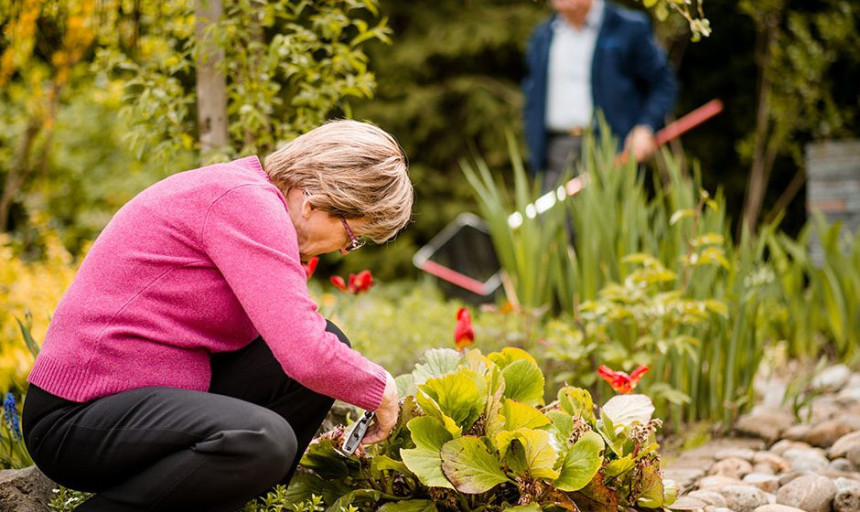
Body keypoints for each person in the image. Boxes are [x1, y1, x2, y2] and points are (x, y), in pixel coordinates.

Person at [21, 119, 412, 512]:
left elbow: (302, 341)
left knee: (327, 352)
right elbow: (305, 352)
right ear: (315, 200)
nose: (345, 249)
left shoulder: (252, 197)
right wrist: (382, 389)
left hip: (148, 403)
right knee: (262, 439)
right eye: (351, 235)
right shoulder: (247, 204)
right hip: (76, 417)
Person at [523, 0, 678, 192]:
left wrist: (646, 127)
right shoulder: (542, 36)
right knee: (552, 221)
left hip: (613, 152)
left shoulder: (627, 28)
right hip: (556, 152)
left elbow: (662, 84)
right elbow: (533, 96)